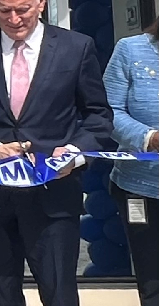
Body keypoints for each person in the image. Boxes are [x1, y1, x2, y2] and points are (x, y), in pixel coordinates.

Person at [0, 0, 112, 306]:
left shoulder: (76, 48)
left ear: (41, 2)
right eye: (4, 10)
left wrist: (74, 155)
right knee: (1, 295)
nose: (14, 18)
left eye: (22, 9)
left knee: (59, 295)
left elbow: (98, 116)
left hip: (53, 196)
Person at [102, 22, 159, 306]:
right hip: (140, 188)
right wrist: (150, 138)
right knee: (152, 283)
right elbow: (108, 111)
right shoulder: (131, 49)